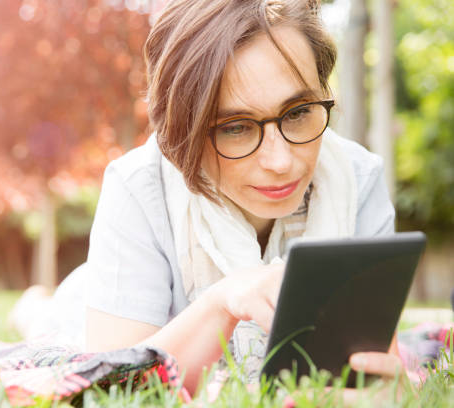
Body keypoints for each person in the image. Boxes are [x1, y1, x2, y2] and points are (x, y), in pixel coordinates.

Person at [43, 0, 404, 396]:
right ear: (181, 131)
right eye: (235, 127)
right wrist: (224, 302)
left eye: (299, 111)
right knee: (52, 319)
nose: (281, 162)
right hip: (84, 301)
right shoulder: (138, 187)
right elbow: (114, 388)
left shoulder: (358, 180)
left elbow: (376, 369)